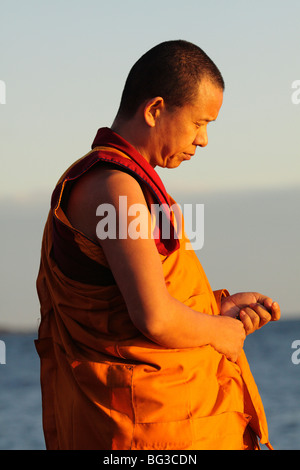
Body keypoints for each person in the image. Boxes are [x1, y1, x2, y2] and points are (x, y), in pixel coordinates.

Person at [35, 40, 280, 450]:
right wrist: (221, 332)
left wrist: (214, 309)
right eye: (200, 123)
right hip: (148, 432)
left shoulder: (123, 184)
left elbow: (140, 302)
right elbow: (154, 318)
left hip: (172, 421)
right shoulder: (116, 188)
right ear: (154, 110)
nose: (203, 140)